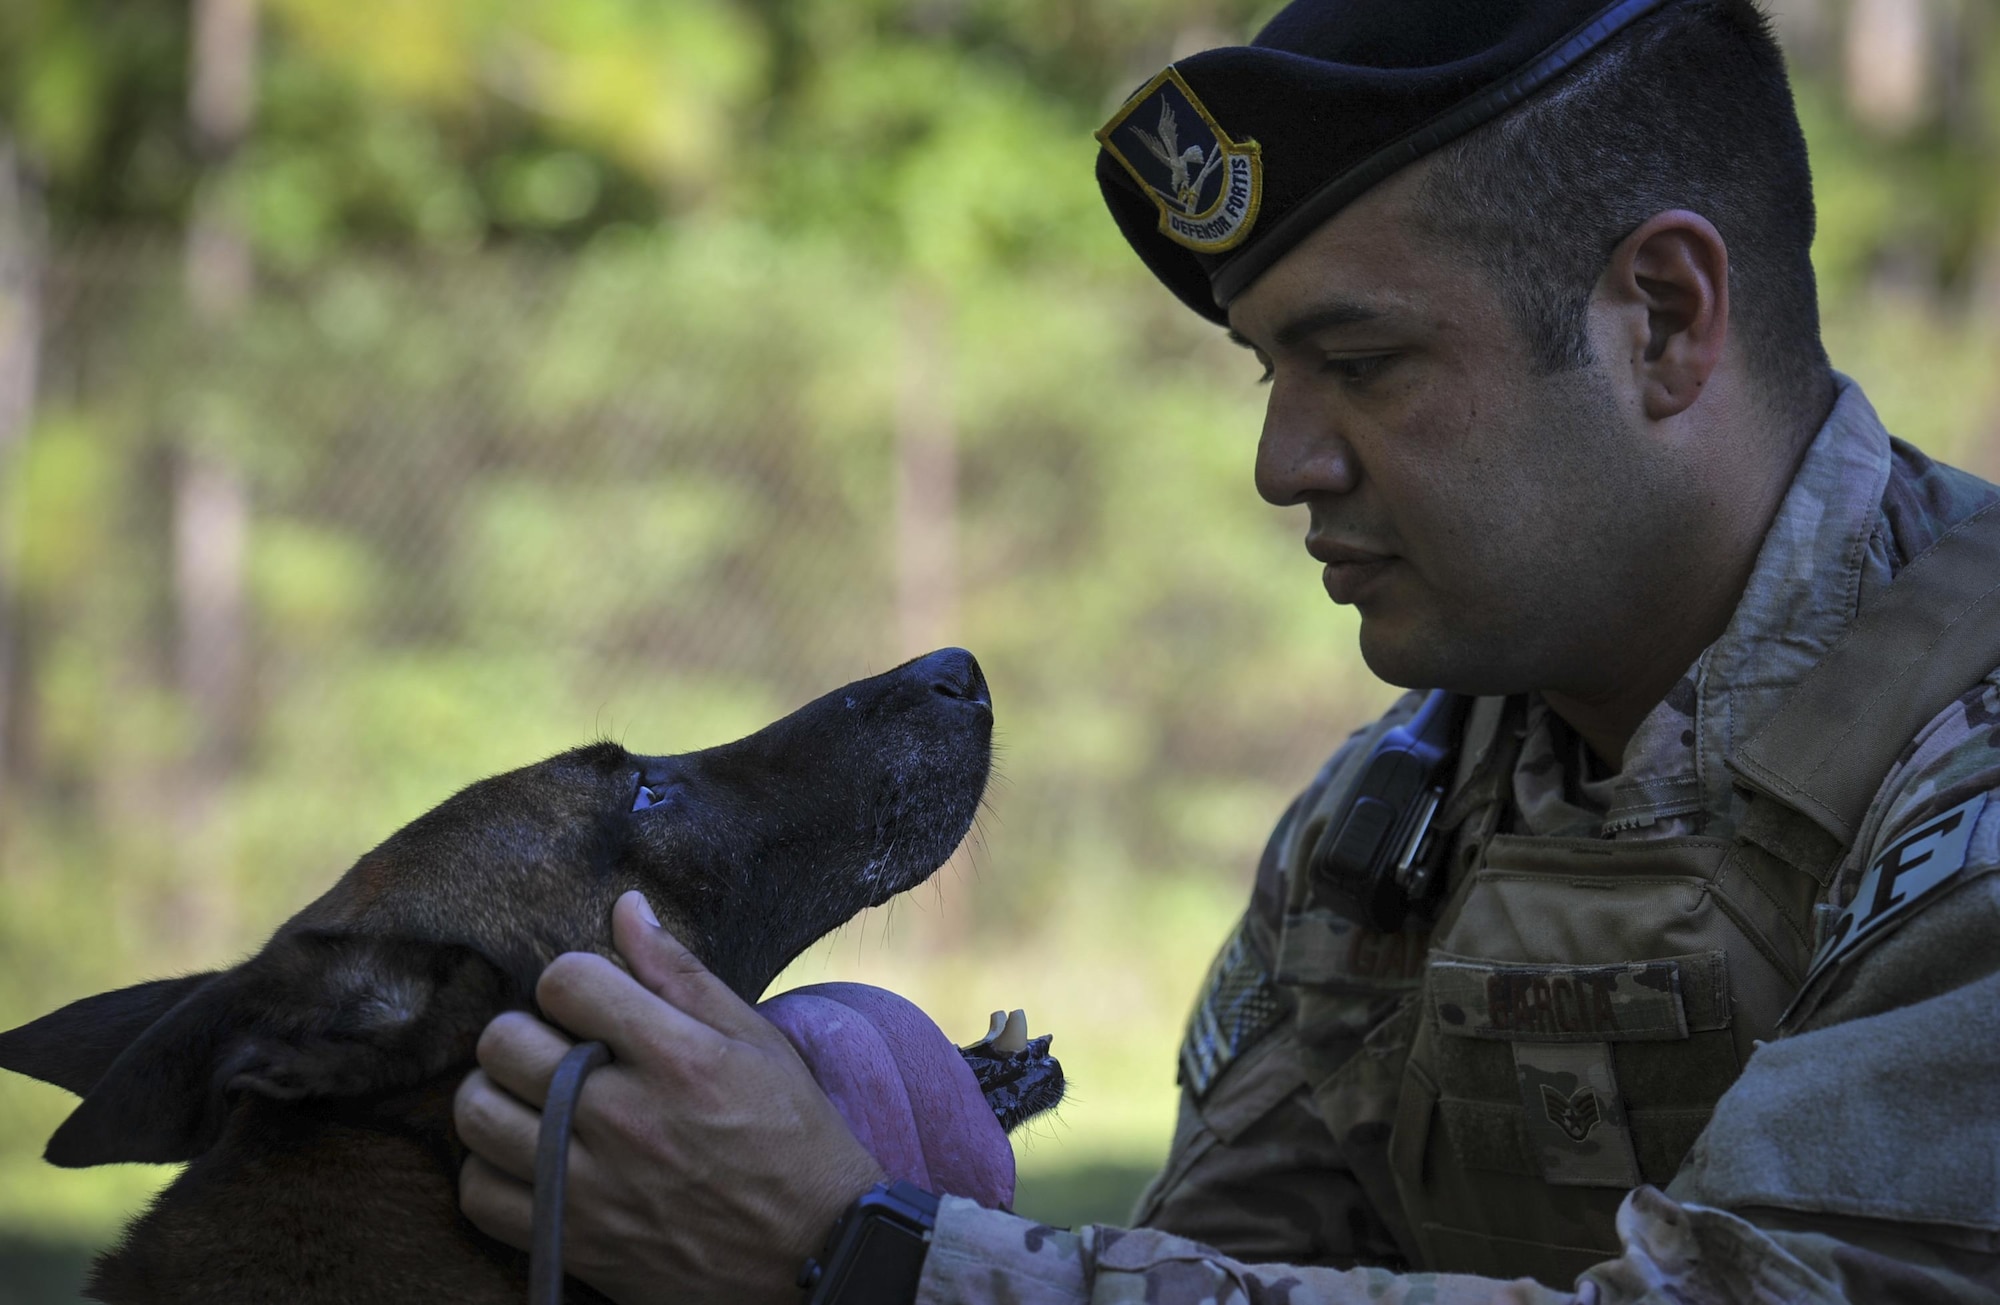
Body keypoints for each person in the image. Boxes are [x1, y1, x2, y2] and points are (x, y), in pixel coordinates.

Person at [452, 0, 2000, 1300]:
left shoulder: (1967, 755)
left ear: (1663, 318)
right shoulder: (1394, 814)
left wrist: (855, 1250)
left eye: (1361, 361)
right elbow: (1211, 1258)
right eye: (1269, 368)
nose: (1282, 462)